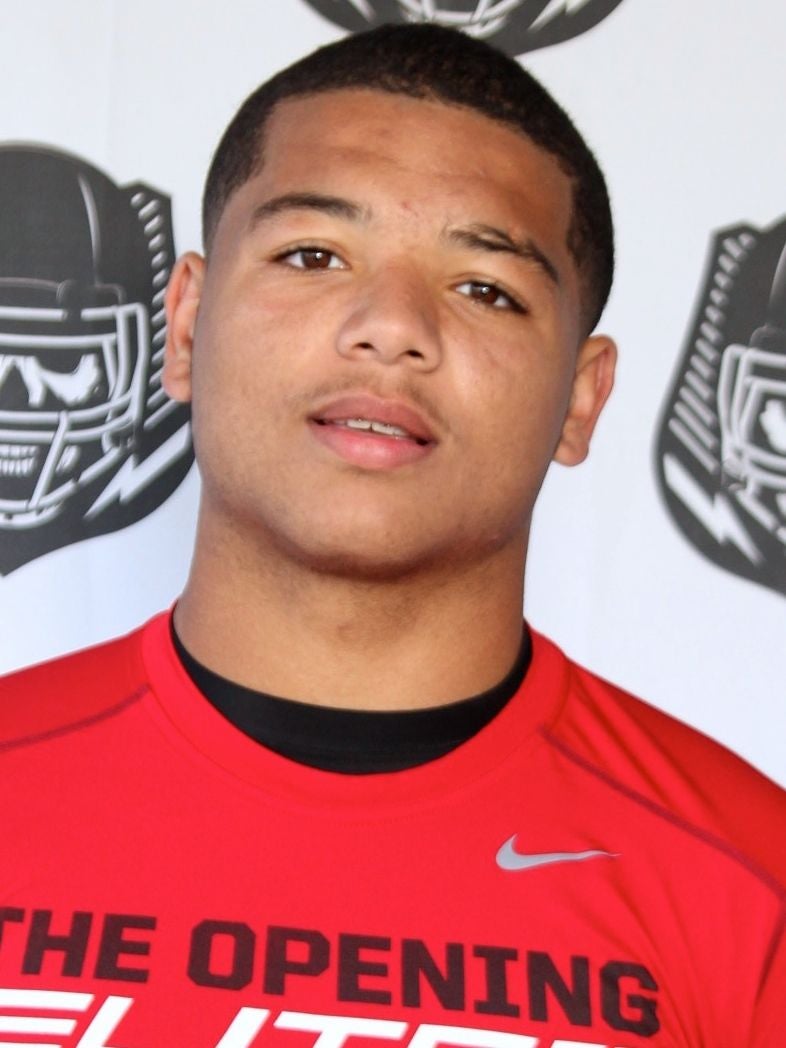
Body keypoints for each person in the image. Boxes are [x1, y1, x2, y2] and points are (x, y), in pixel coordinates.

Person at [0, 23, 784, 1047]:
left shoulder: (752, 886)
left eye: (485, 288)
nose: (392, 325)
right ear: (186, 326)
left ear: (581, 399)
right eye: (313, 254)